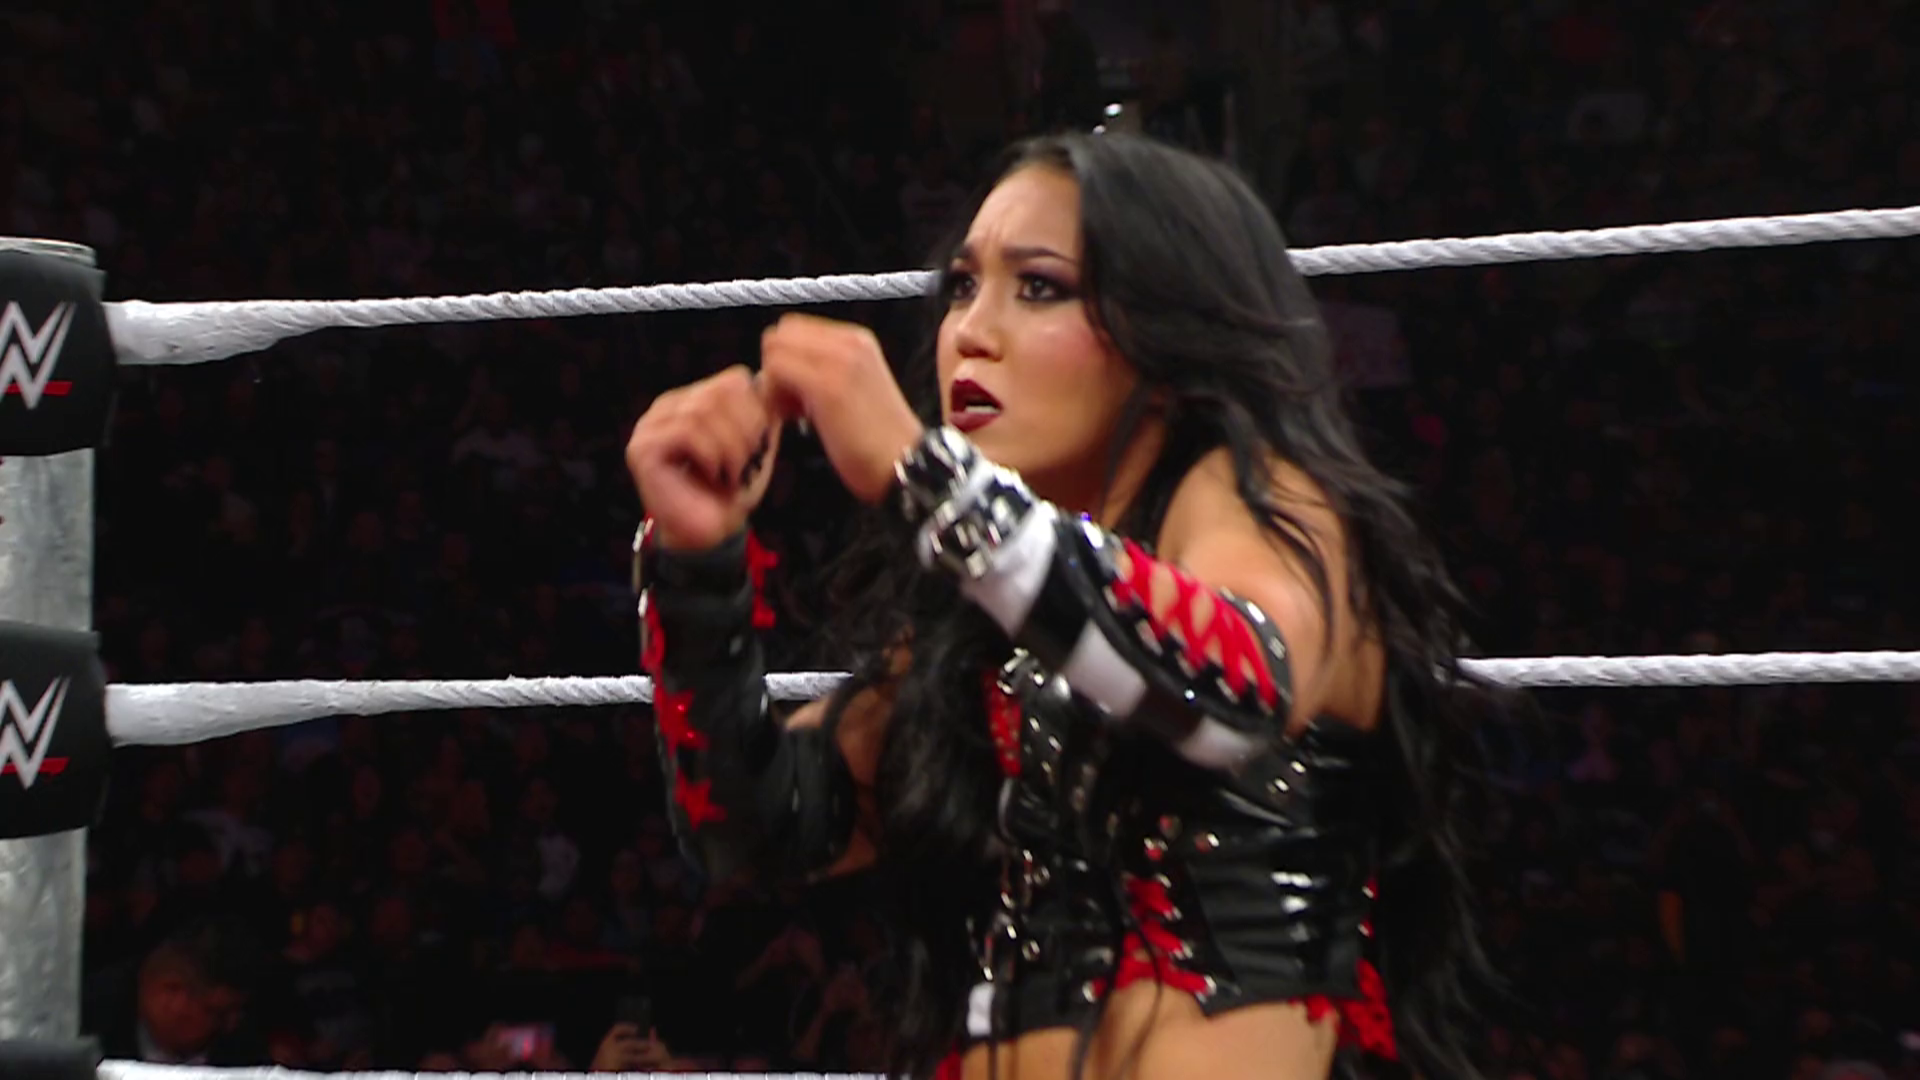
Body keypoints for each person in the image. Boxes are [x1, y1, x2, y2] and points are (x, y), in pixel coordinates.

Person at [624, 132, 1492, 1079]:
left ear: (1165, 322)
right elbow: (758, 834)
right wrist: (698, 562)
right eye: (962, 286)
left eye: (1039, 287)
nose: (971, 331)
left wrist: (924, 477)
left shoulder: (1267, 505)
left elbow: (1232, 689)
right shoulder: (985, 615)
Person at [86, 920, 267, 1066]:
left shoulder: (242, 1048)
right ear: (170, 994)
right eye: (218, 1013)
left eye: (238, 1012)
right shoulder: (90, 1022)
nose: (231, 1025)